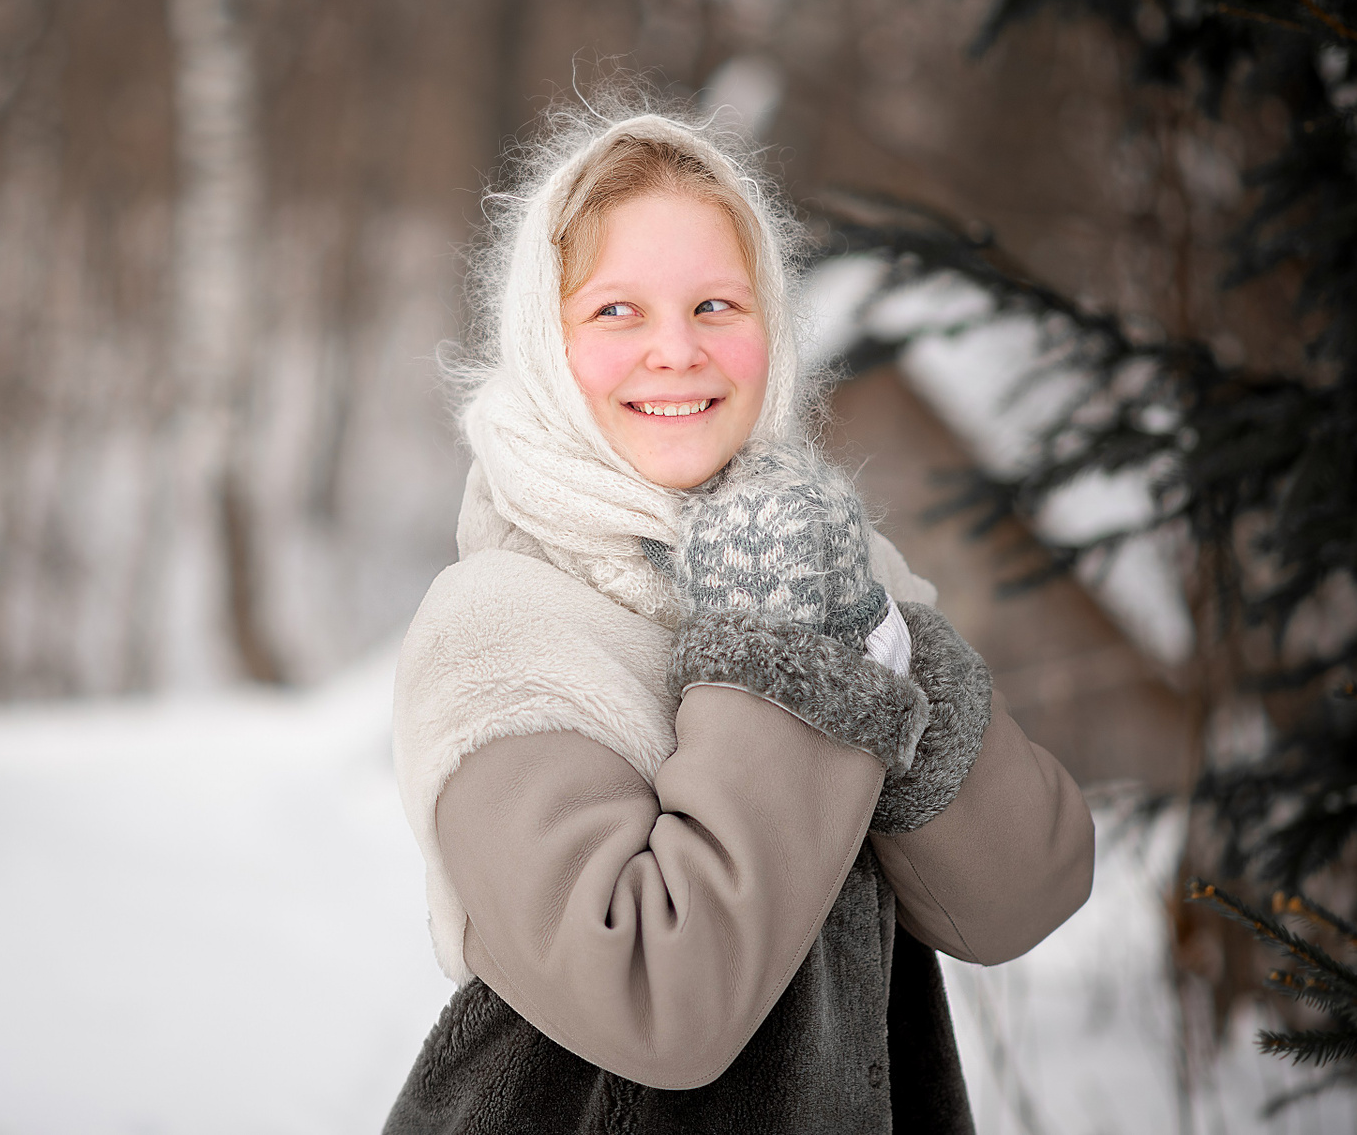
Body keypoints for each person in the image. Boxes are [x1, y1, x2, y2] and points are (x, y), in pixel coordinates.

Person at [384, 107, 1095, 1134]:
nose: (677, 351)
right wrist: (786, 661)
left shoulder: (835, 562)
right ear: (545, 344)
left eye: (716, 304)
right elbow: (659, 1003)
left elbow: (1024, 894)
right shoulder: (499, 632)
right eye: (617, 311)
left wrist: (862, 624)